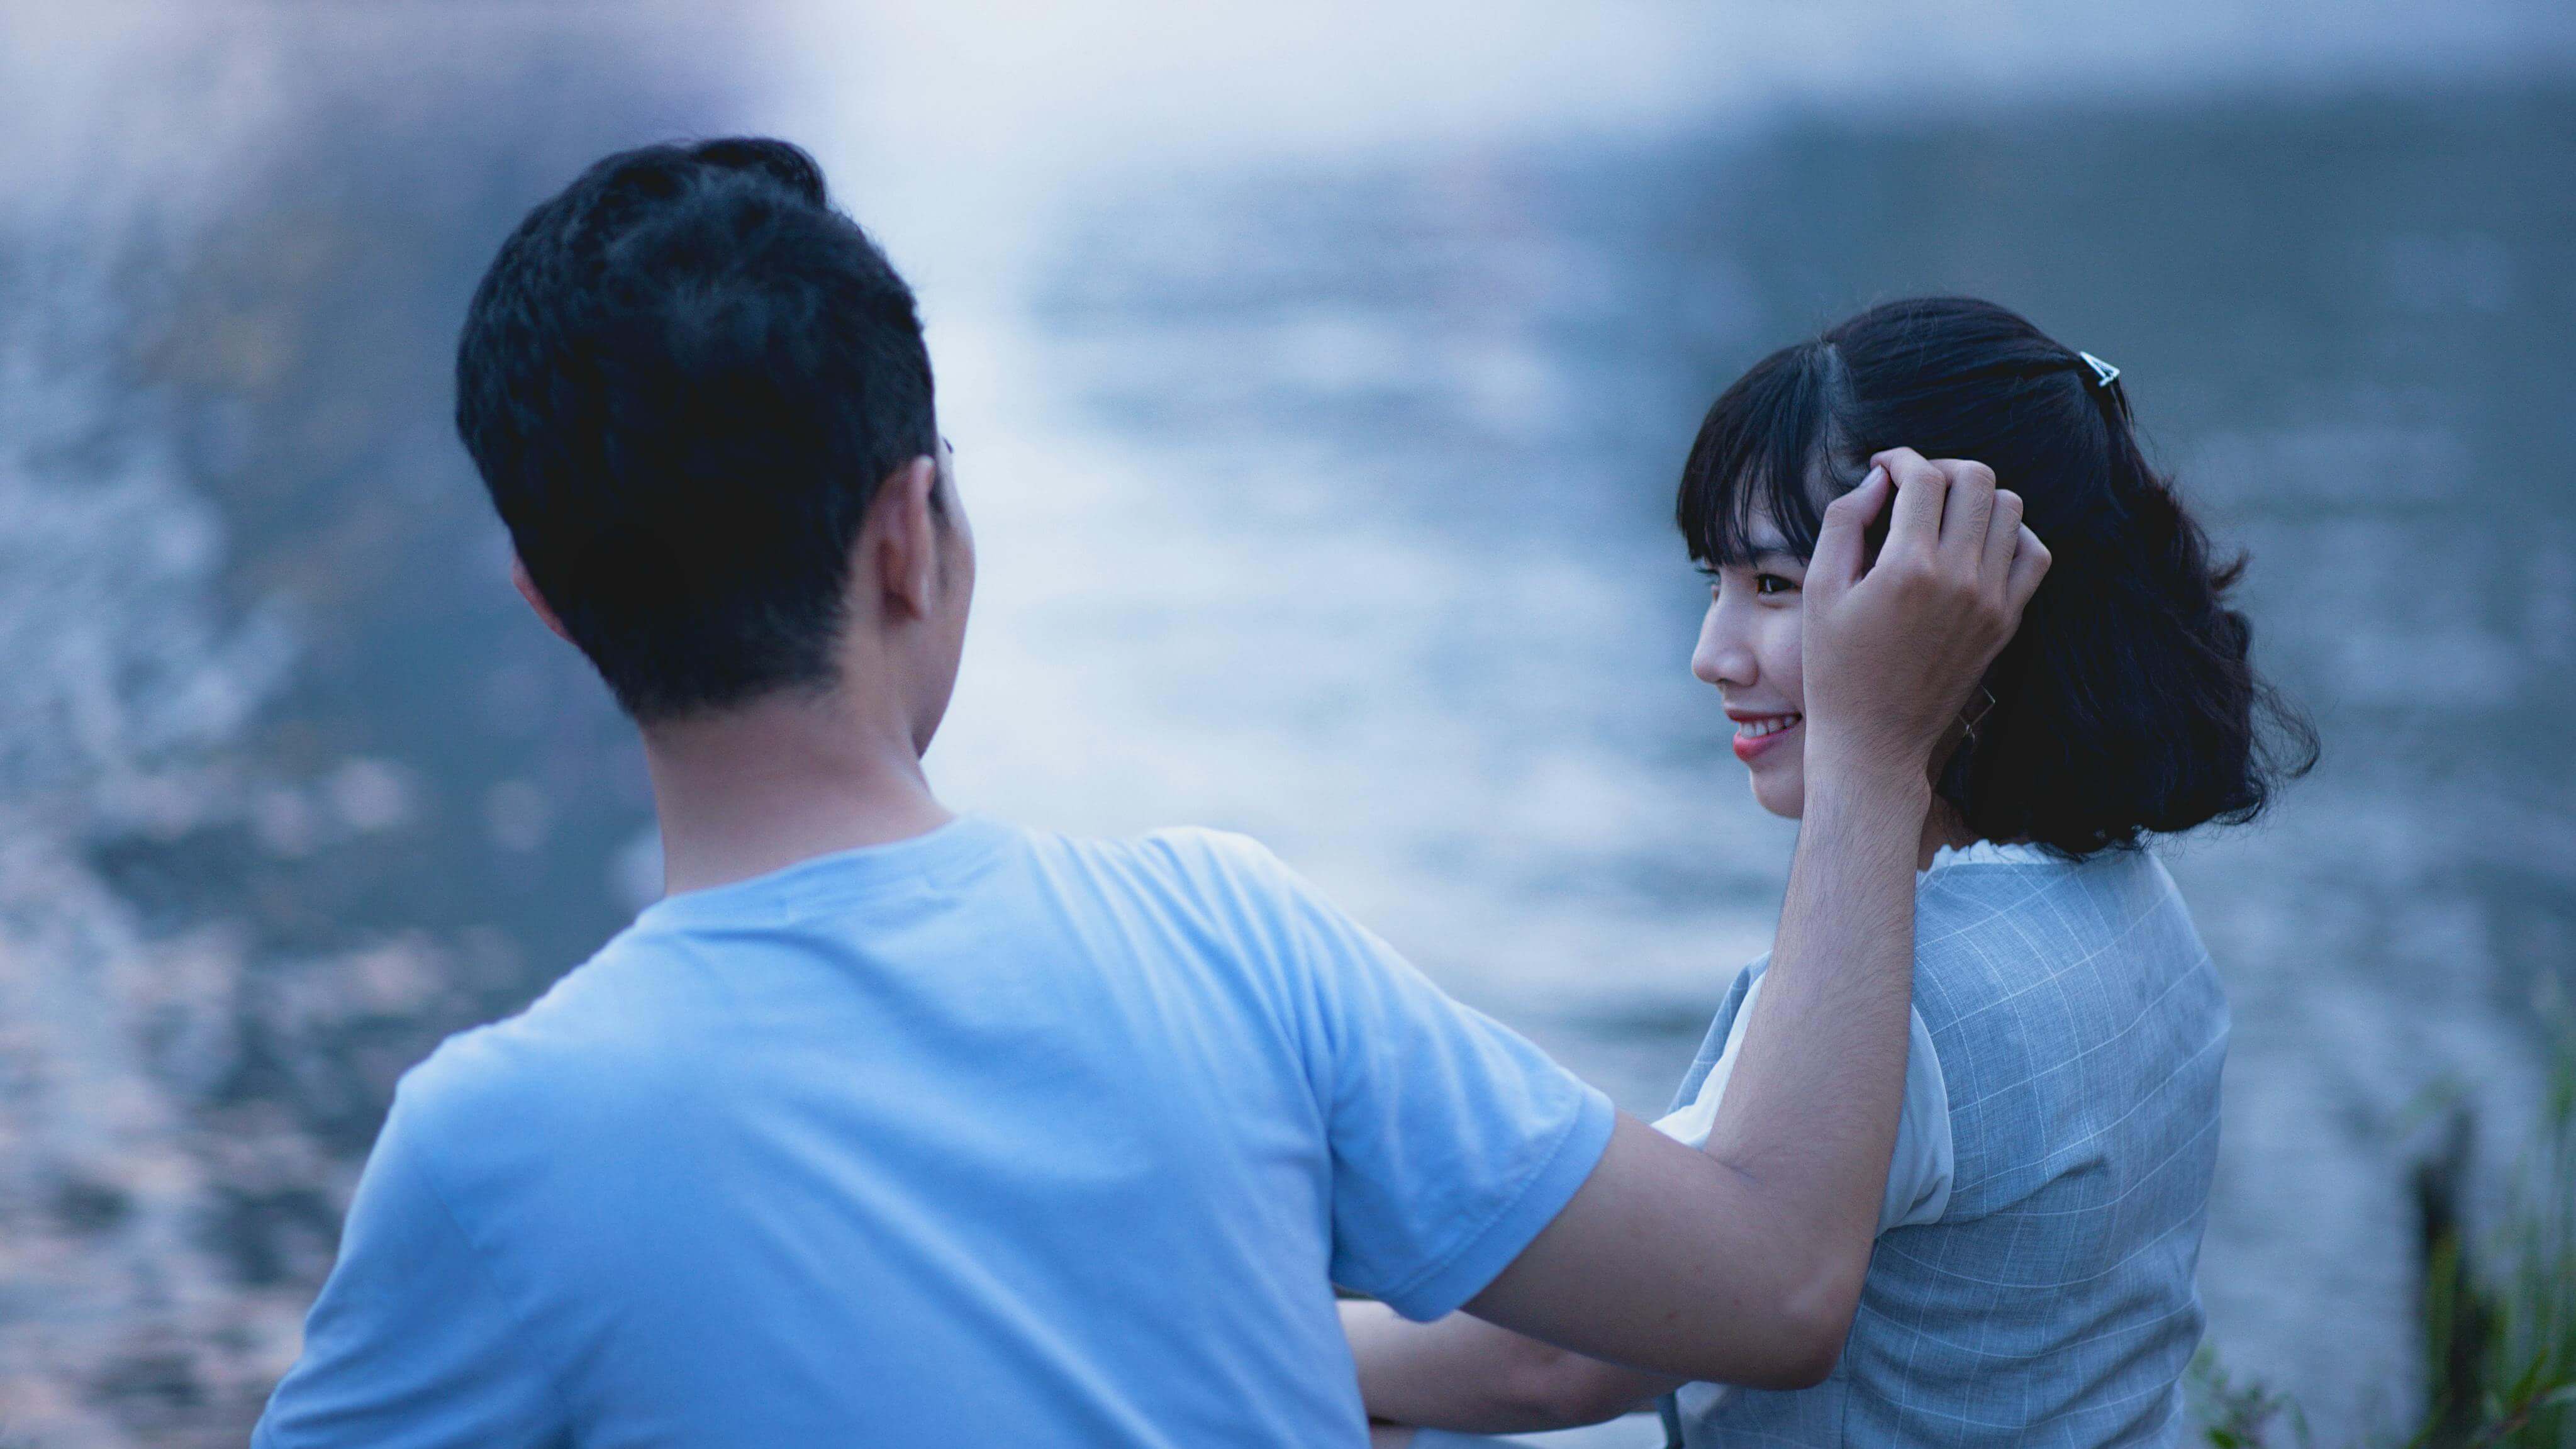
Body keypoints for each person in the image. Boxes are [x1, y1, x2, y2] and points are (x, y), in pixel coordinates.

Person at [249, 143, 2046, 1448]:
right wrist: (1880, 756)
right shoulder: (1215, 938)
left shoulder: (485, 1159)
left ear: (551, 611)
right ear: (907, 535)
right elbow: (1772, 1287)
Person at [1343, 296, 2317, 1448]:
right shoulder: (2128, 902)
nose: (1713, 656)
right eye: (1718, 583)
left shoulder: (1895, 1012)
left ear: (1961, 606)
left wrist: (1269, 1330)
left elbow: (1556, 1361)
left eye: (1777, 588)